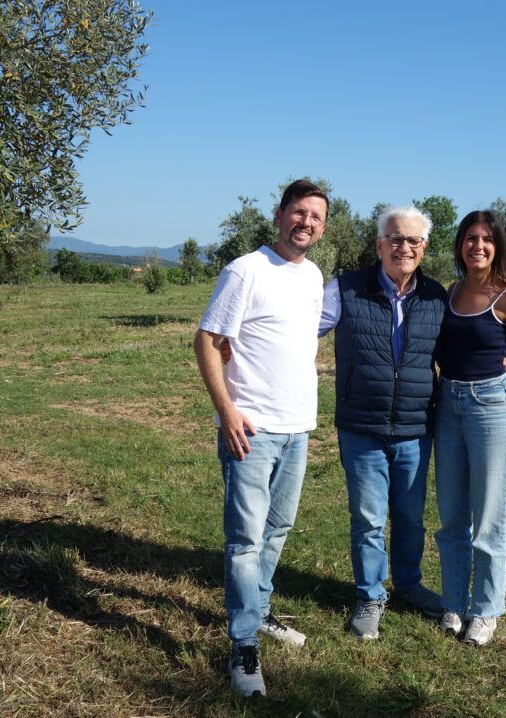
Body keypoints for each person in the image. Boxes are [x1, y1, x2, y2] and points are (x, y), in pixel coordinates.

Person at [194, 179, 328, 697]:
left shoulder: (314, 275)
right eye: (298, 213)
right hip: (250, 428)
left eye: (316, 217)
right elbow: (208, 339)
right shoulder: (246, 269)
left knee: (276, 530)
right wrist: (226, 409)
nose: (306, 223)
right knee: (245, 540)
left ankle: (260, 611)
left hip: (298, 426)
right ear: (279, 215)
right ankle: (243, 644)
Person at [317, 206, 447, 639]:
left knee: (411, 517)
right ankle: (371, 595)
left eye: (413, 241)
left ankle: (408, 586)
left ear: (424, 248)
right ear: (379, 245)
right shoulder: (345, 289)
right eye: (395, 238)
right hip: (361, 427)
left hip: (414, 428)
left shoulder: (436, 297)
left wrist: (502, 360)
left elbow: (459, 350)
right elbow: (294, 329)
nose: (403, 247)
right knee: (369, 518)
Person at [433, 209, 506, 647]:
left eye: (486, 239)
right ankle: (454, 603)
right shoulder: (450, 293)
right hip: (449, 406)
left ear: (497, 246)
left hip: (493, 408)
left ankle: (487, 609)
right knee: (451, 515)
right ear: (460, 244)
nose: (478, 245)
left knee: (489, 519)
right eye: (470, 238)